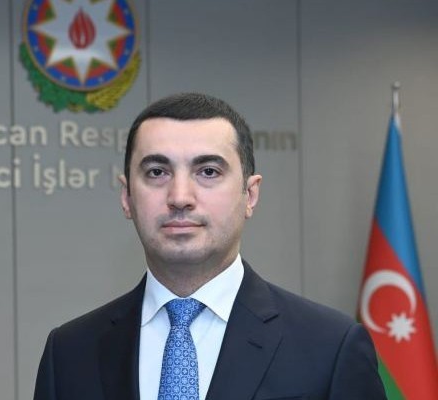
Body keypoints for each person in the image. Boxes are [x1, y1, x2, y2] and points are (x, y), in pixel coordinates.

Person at [34, 93, 386, 400]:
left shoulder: (330, 347)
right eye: (157, 172)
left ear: (250, 194)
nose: (180, 197)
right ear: (127, 197)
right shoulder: (68, 354)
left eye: (208, 172)